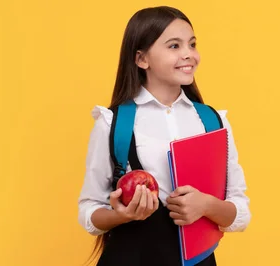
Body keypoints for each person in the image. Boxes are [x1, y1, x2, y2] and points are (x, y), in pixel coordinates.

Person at [77, 6, 251, 266]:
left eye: (192, 44)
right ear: (141, 59)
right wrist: (122, 215)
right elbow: (89, 211)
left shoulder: (213, 122)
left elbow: (241, 211)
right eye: (174, 46)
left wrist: (206, 205)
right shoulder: (112, 123)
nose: (189, 55)